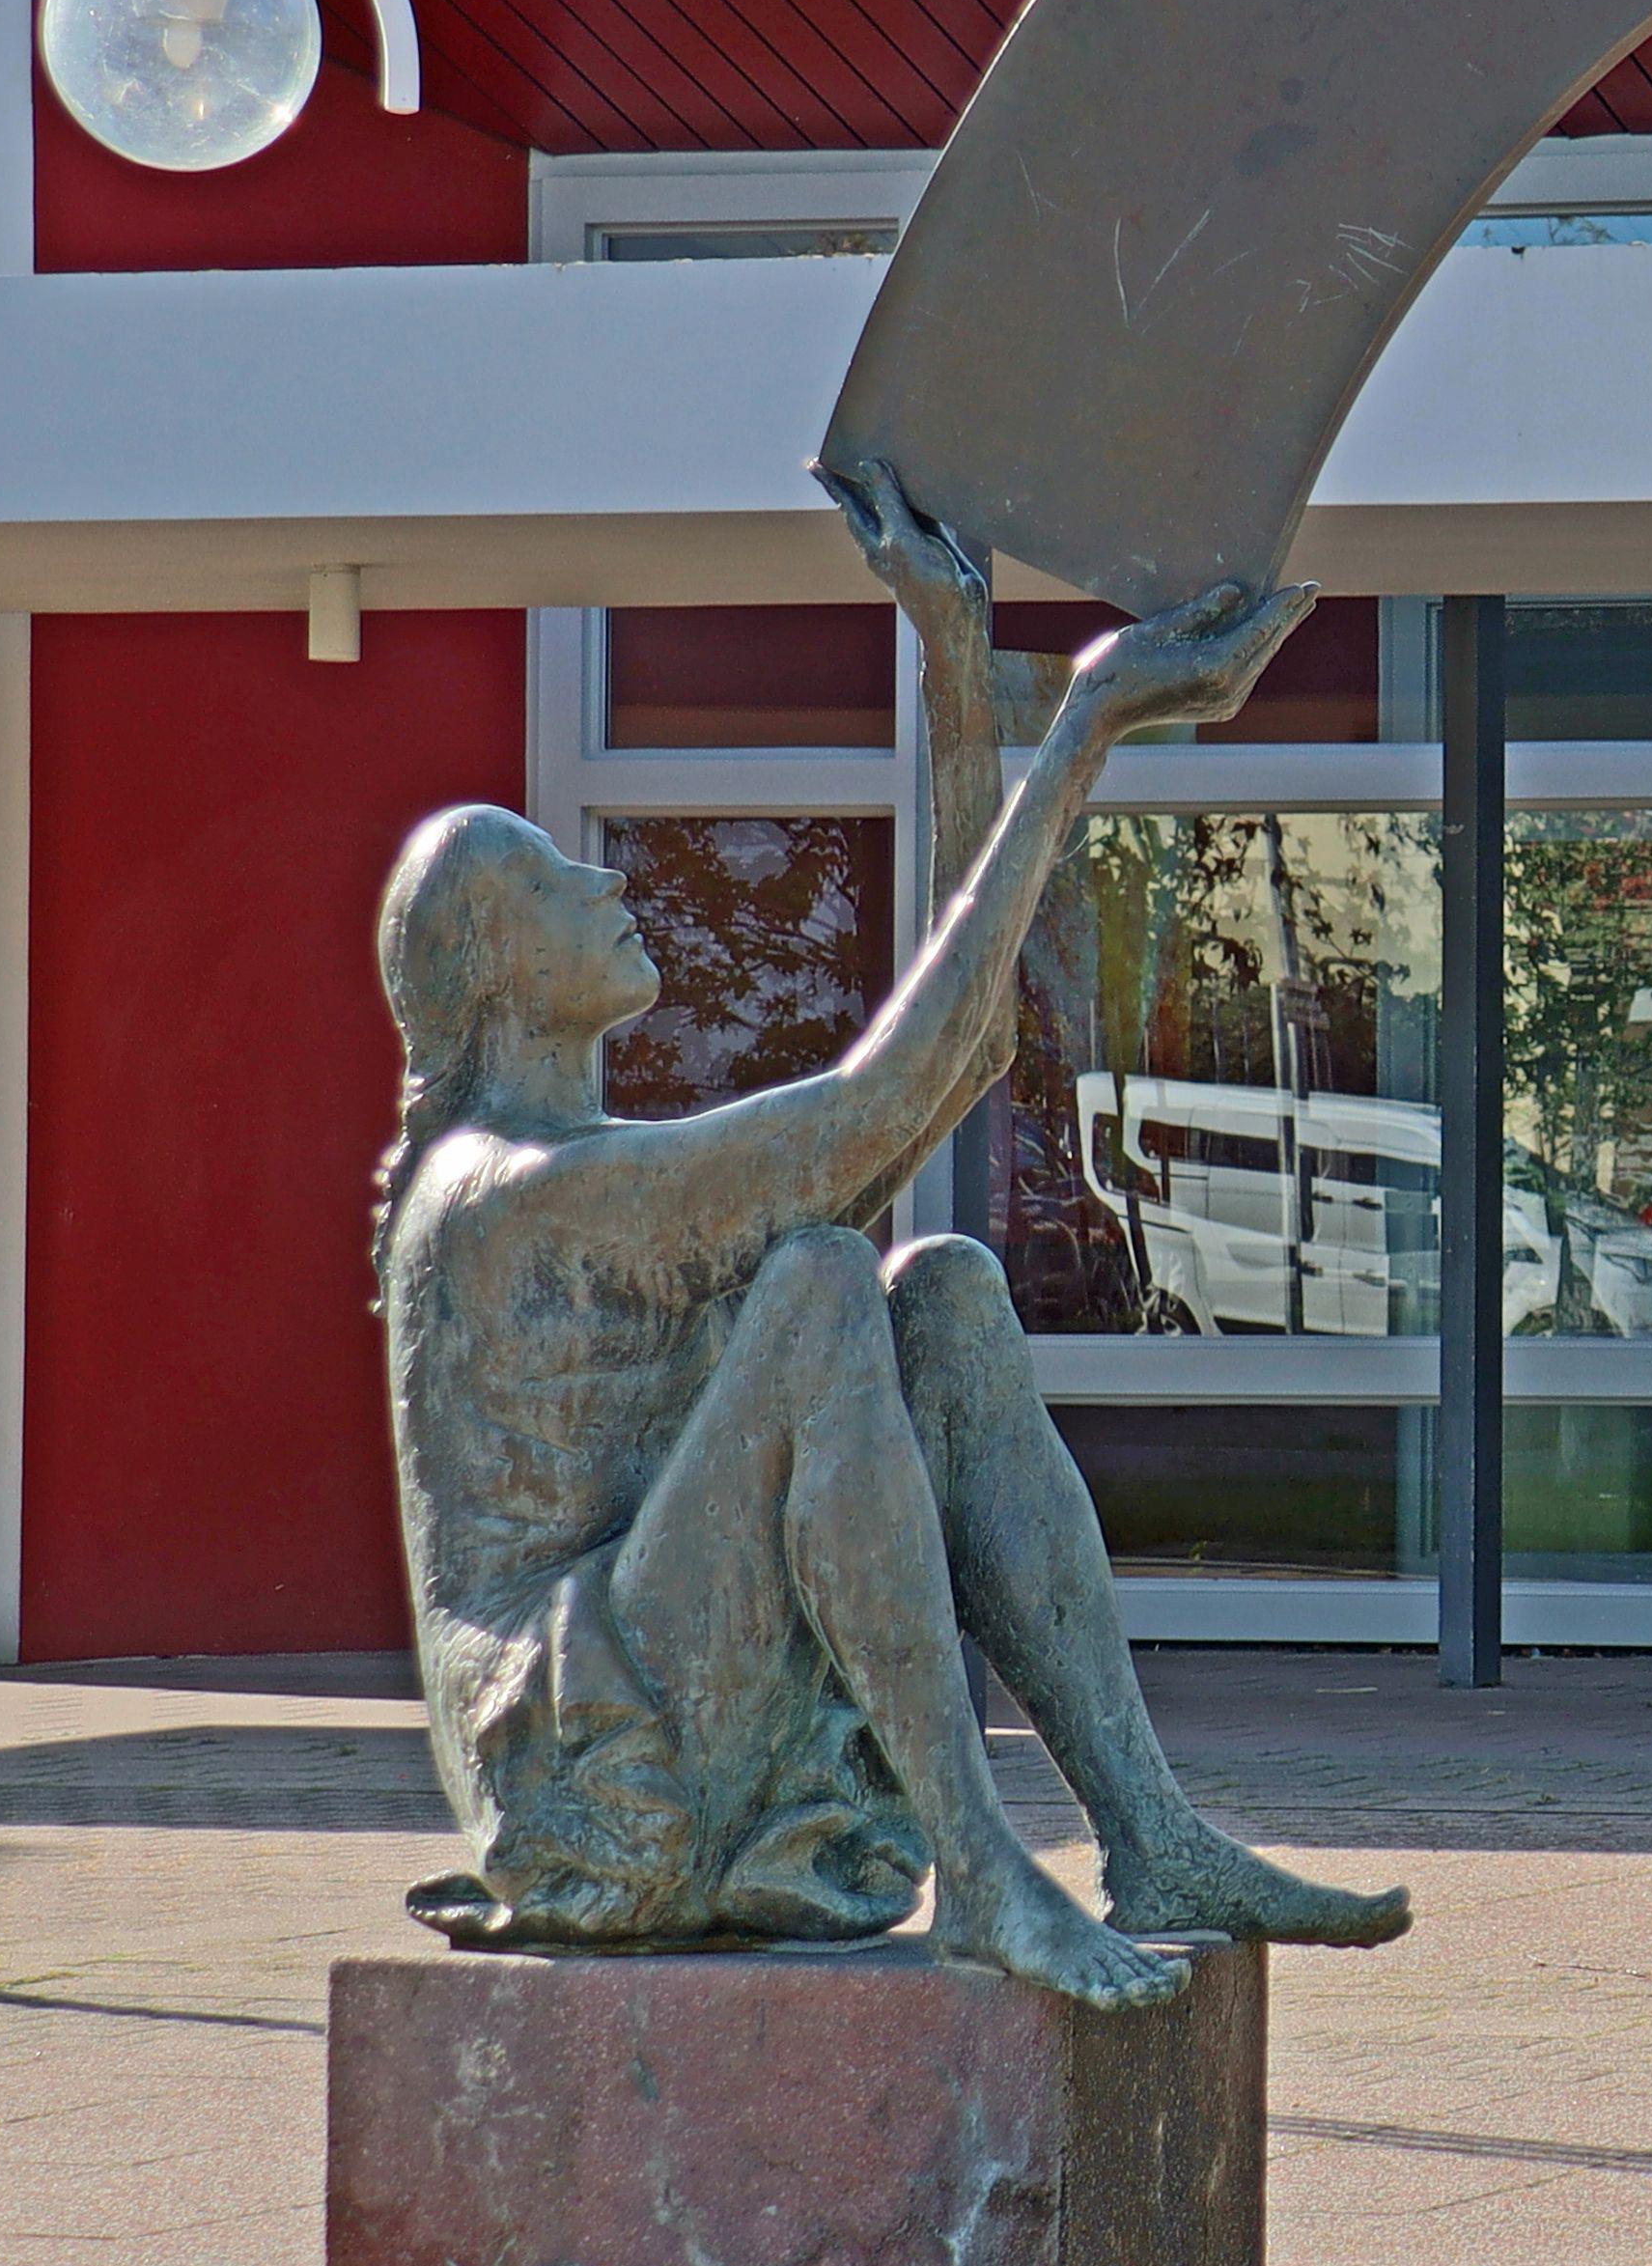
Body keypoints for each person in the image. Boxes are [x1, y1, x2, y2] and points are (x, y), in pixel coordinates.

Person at [369, 472, 1405, 2009]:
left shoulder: (578, 1173)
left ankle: (1150, 1835)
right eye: (547, 882)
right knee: (820, 1281)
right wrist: (1084, 726)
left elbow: (960, 1056)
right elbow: (882, 1102)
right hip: (590, 1772)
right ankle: (981, 1868)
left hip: (675, 1679)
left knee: (949, 1293)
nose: (605, 878)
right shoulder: (502, 1195)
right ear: (486, 970)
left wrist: (955, 667)